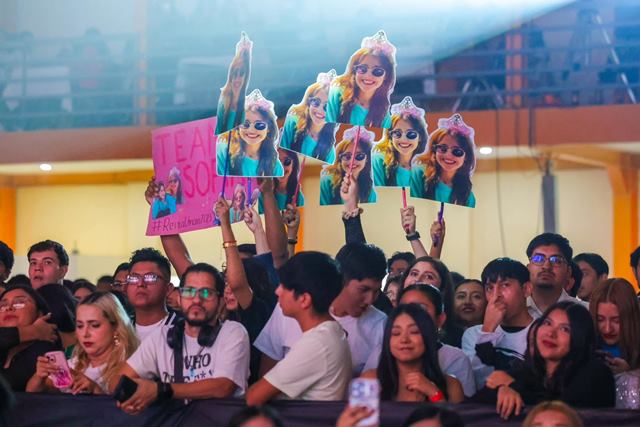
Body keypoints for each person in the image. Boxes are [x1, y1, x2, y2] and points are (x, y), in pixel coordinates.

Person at [115, 263, 250, 415]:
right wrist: (131, 398)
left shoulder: (233, 332)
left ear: (221, 301)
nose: (197, 300)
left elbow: (223, 387)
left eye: (206, 293)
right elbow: (120, 379)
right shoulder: (162, 336)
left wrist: (160, 390)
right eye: (189, 291)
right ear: (179, 298)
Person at [255, 243, 387, 379]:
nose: (370, 299)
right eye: (364, 289)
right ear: (342, 280)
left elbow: (369, 383)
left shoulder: (379, 325)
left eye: (376, 291)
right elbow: (268, 368)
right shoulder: (291, 306)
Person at [246, 252, 351, 404]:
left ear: (304, 299)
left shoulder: (317, 343)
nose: (277, 291)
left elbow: (253, 397)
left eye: (284, 286)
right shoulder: (330, 332)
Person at [493, 302, 615, 419]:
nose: (551, 333)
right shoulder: (527, 370)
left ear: (580, 338)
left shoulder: (596, 373)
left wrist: (514, 387)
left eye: (564, 329)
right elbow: (493, 385)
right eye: (547, 323)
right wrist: (504, 389)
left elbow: (558, 417)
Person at [27, 292, 139, 394]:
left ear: (116, 327)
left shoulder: (133, 366)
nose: (85, 334)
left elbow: (129, 407)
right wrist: (40, 376)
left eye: (94, 325)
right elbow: (32, 396)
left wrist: (95, 390)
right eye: (80, 326)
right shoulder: (72, 365)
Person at [364, 303, 464, 403]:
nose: (404, 340)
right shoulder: (370, 380)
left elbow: (449, 414)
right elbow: (358, 413)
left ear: (427, 337)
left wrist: (434, 393)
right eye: (396, 333)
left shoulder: (452, 385)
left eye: (414, 332)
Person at [462, 258, 534, 389]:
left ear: (526, 289)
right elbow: (477, 382)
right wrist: (487, 330)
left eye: (505, 285)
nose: (496, 296)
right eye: (490, 288)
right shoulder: (473, 334)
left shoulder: (542, 332)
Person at [397, 284, 475, 397]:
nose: (410, 316)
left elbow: (460, 407)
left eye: (420, 309)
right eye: (404, 308)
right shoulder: (382, 355)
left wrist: (433, 392)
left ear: (440, 319)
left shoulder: (454, 359)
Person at [326, 30, 396, 128]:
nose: (368, 76)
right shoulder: (337, 95)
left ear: (386, 76)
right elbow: (326, 130)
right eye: (362, 69)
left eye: (377, 71)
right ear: (354, 70)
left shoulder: (383, 115)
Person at [0, 285, 62, 391]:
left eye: (19, 303)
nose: (9, 308)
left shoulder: (46, 353)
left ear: (40, 314)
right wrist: (34, 331)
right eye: (2, 305)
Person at [410, 113, 476, 207]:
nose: (448, 155)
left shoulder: (467, 196)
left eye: (457, 152)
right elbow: (414, 208)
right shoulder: (419, 174)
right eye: (442, 148)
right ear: (434, 149)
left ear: (466, 157)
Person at [216, 89, 284, 178]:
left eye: (259, 125)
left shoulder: (274, 166)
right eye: (245, 124)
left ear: (269, 129)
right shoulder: (224, 151)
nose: (251, 130)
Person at [279, 70, 338, 163]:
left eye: (327, 106)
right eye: (316, 102)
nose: (319, 109)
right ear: (308, 102)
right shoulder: (292, 123)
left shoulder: (329, 150)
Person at [526, 233, 585, 319]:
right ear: (528, 268)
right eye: (538, 259)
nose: (546, 266)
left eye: (556, 260)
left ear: (568, 272)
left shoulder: (586, 312)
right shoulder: (514, 311)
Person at [372, 96, 428, 187]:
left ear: (420, 137)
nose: (403, 139)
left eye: (411, 134)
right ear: (390, 136)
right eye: (397, 133)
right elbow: (378, 193)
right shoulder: (379, 161)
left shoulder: (426, 169)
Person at [125, 248, 178, 341]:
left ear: (168, 289)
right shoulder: (120, 330)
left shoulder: (183, 329)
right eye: (134, 278)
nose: (140, 284)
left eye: (150, 277)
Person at [589, 278, 640, 374]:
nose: (607, 329)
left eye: (616, 321)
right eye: (600, 320)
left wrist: (630, 374)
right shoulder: (585, 346)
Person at [320, 126, 377, 205]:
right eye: (347, 156)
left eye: (359, 156)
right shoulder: (326, 182)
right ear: (340, 159)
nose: (352, 161)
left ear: (367, 159)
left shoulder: (369, 190)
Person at [216, 31, 252, 135]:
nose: (237, 78)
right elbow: (218, 133)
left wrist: (246, 52)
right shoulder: (224, 102)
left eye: (241, 73)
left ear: (246, 76)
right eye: (234, 73)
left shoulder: (248, 106)